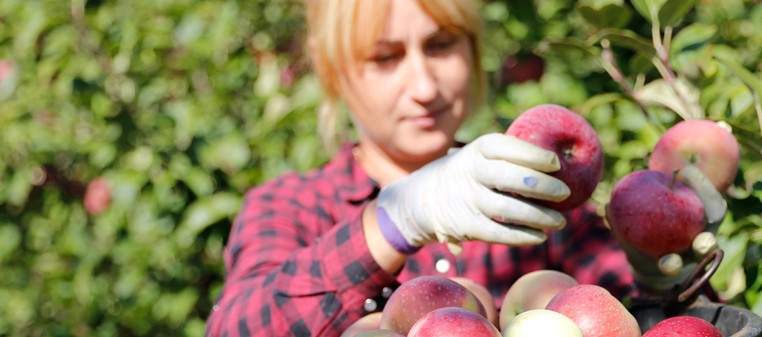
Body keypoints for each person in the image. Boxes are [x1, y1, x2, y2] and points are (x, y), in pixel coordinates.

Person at [205, 0, 639, 336]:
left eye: (441, 44)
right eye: (384, 56)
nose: (424, 86)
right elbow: (234, 327)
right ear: (333, 71)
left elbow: (631, 311)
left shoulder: (528, 190)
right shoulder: (292, 206)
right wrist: (397, 218)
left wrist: (661, 275)